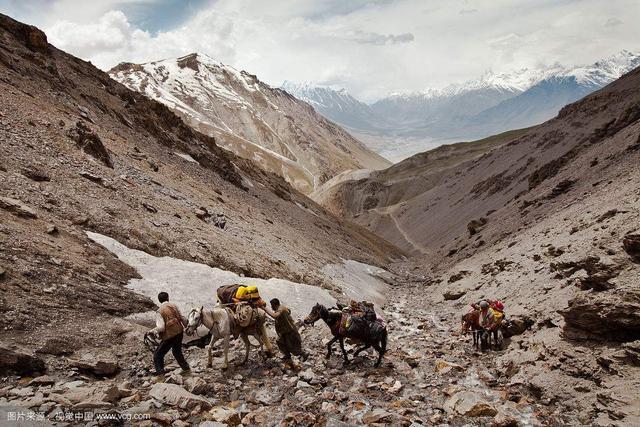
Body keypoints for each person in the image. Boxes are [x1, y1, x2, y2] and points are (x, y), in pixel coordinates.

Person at [151, 292, 190, 375]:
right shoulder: (173, 306)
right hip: (179, 332)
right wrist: (187, 327)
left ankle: (160, 374)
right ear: (168, 298)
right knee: (177, 352)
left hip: (169, 335)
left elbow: (161, 327)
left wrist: (153, 331)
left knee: (158, 355)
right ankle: (186, 368)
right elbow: (182, 318)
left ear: (159, 300)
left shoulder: (159, 311)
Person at [263, 298, 307, 365]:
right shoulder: (280, 309)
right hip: (284, 332)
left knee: (293, 347)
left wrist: (264, 308)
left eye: (272, 305)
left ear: (275, 305)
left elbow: (275, 316)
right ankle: (287, 355)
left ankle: (303, 354)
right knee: (280, 342)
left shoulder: (281, 309)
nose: (271, 307)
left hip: (290, 331)